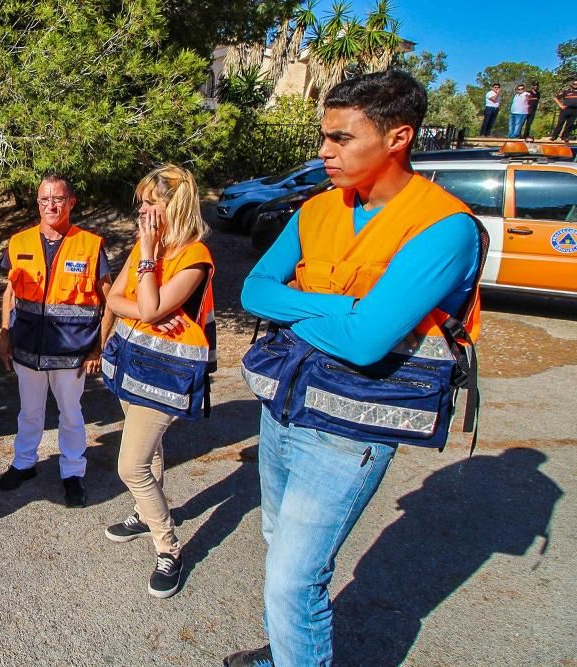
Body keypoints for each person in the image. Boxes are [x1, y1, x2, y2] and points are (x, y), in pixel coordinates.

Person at [228, 70, 483, 666]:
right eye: (325, 136)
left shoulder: (444, 228)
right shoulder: (317, 209)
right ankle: (285, 650)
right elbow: (256, 291)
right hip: (284, 409)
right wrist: (337, 307)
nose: (324, 152)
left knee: (296, 579)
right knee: (275, 547)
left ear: (398, 137)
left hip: (350, 431)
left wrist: (309, 315)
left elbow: (368, 345)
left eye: (342, 138)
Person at [101, 164, 216, 599]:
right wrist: (145, 305)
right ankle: (142, 512)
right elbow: (116, 298)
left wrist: (147, 257)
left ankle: (168, 545)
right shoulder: (146, 245)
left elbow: (149, 307)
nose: (143, 210)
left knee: (129, 465)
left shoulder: (194, 256)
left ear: (175, 205)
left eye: (152, 202)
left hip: (165, 373)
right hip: (131, 363)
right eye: (143, 202)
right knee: (148, 453)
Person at [0, 173, 113, 507]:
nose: (51, 205)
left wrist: (97, 347)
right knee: (29, 411)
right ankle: (24, 463)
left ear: (71, 202)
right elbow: (10, 292)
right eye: (45, 199)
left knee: (71, 414)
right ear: (37, 203)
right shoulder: (19, 242)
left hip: (71, 354)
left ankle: (73, 472)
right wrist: (5, 335)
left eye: (58, 199)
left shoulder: (90, 245)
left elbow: (111, 300)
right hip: (27, 349)